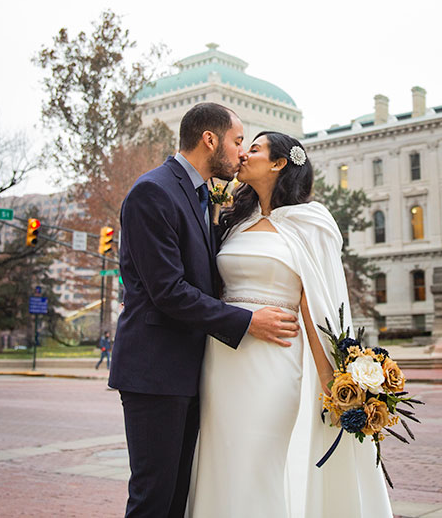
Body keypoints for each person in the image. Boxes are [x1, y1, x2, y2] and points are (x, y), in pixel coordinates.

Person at [109, 103, 301, 518]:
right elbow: (169, 292)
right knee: (153, 498)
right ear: (209, 140)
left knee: (180, 496)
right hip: (155, 371)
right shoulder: (153, 191)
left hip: (193, 371)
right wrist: (249, 321)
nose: (241, 153)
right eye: (236, 142)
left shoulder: (199, 195)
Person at [188, 131, 393, 518]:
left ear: (279, 163)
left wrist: (335, 381)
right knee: (221, 459)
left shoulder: (310, 222)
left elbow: (318, 304)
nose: (244, 154)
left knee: (261, 460)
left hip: (273, 360)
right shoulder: (234, 222)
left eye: (256, 148)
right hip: (221, 360)